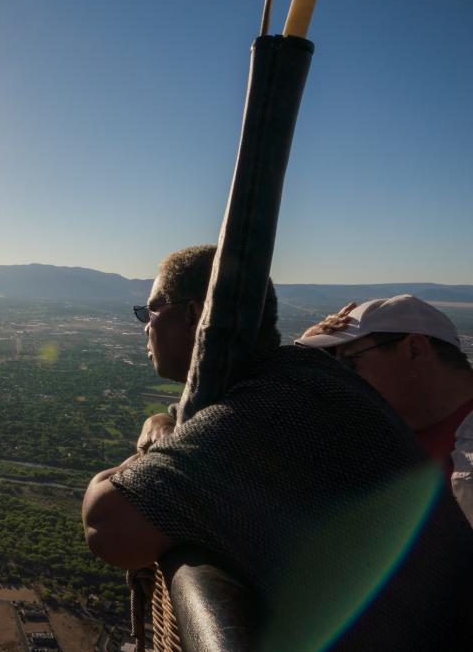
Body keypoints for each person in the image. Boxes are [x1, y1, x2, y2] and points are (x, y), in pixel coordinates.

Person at [80, 245, 473, 650]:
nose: (145, 326)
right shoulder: (302, 381)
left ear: (196, 315)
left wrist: (127, 466)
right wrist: (164, 424)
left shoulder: (262, 408)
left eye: (152, 311)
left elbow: (106, 527)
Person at [297, 294, 473, 524]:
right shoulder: (380, 427)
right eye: (334, 364)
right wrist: (305, 352)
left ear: (414, 350)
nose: (340, 376)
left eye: (350, 362)